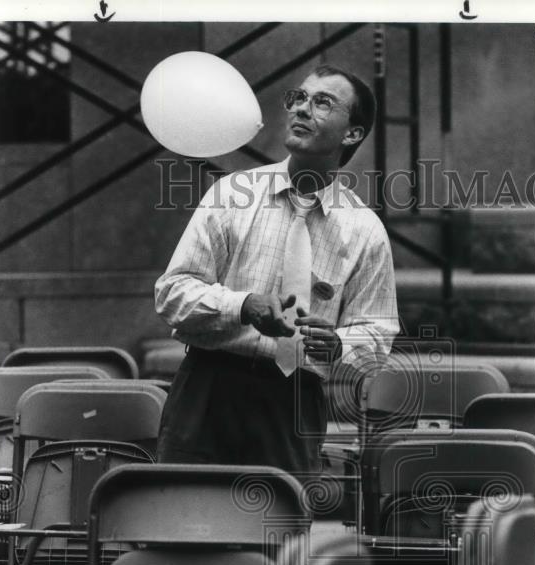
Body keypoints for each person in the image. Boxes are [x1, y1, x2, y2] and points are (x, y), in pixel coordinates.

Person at [154, 63, 399, 477]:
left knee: (278, 534)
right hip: (208, 387)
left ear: (352, 133)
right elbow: (172, 293)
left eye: (322, 103)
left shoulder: (364, 231)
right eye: (298, 98)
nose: (302, 109)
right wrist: (243, 305)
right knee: (184, 524)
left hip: (293, 401)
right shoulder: (231, 195)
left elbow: (378, 334)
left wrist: (338, 345)